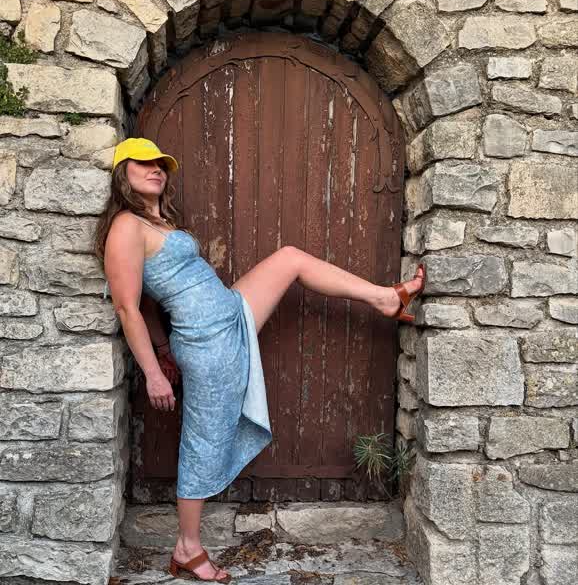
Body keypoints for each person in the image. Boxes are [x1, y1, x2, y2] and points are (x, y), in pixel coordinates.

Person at [95, 137, 426, 582]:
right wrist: (154, 373)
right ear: (123, 173)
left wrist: (163, 348)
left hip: (229, 311)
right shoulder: (125, 226)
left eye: (161, 164)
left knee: (290, 258)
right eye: (144, 162)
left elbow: (151, 305)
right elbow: (128, 306)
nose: (156, 169)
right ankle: (187, 548)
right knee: (202, 441)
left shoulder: (158, 223)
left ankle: (385, 298)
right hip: (207, 342)